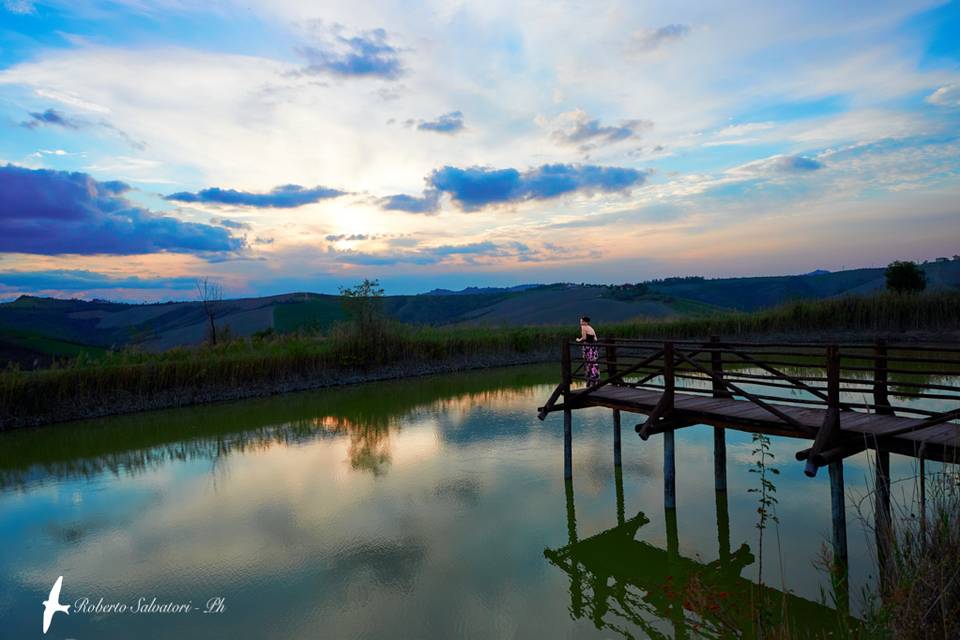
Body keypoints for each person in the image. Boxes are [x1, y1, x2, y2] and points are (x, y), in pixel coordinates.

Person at [576, 315, 600, 385]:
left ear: (584, 322)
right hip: (593, 347)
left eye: (581, 321)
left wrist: (578, 340)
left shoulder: (583, 327)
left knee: (588, 362)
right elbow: (596, 339)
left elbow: (583, 338)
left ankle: (590, 379)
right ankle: (595, 379)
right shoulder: (591, 328)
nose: (580, 322)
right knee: (593, 362)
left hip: (587, 347)